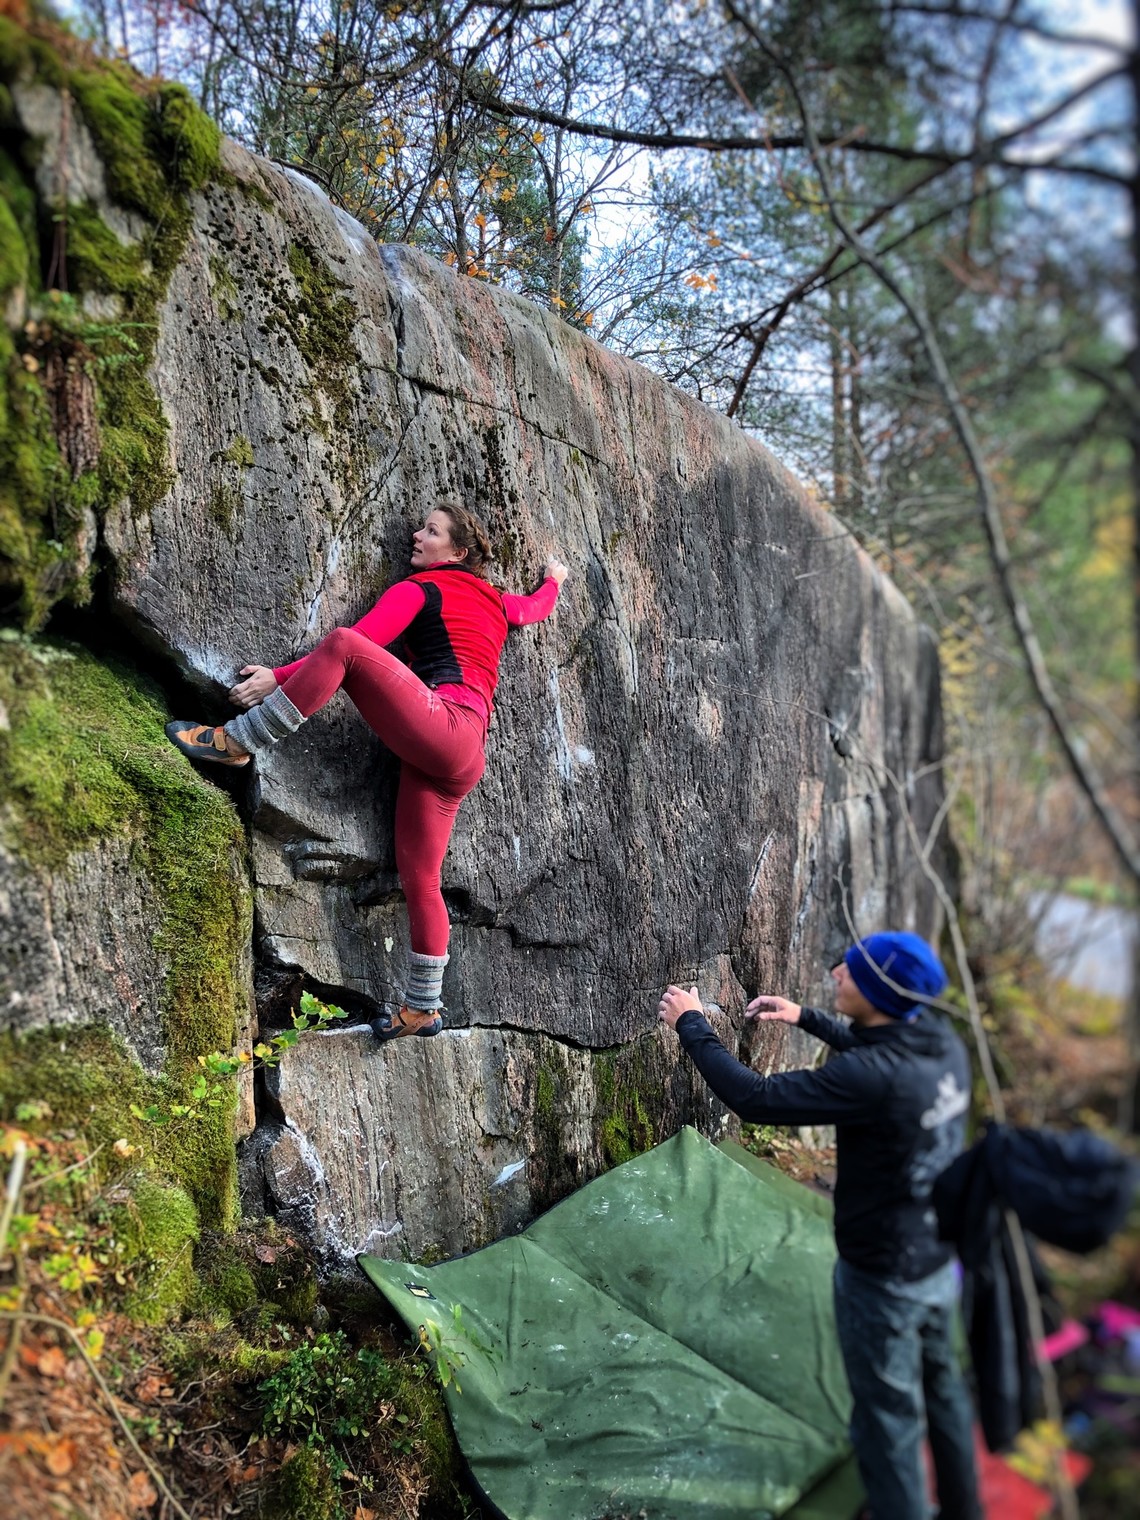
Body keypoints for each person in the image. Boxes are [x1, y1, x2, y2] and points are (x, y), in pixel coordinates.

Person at [167, 498, 568, 1039]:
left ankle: (236, 741)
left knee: (342, 643)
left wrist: (280, 677)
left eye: (431, 531)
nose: (417, 536)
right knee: (422, 878)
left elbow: (358, 645)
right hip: (462, 754)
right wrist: (554, 579)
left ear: (458, 552)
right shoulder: (498, 600)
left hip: (443, 726)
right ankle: (423, 1008)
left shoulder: (420, 588)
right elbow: (535, 608)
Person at [657, 932, 981, 1520]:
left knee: (887, 1422)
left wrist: (692, 1022)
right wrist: (806, 1017)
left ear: (879, 991)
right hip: (937, 1259)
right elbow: (879, 1047)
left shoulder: (873, 1078)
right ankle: (965, 1508)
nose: (836, 972)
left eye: (851, 970)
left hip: (883, 1276)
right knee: (945, 1393)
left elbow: (755, 1098)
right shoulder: (943, 1044)